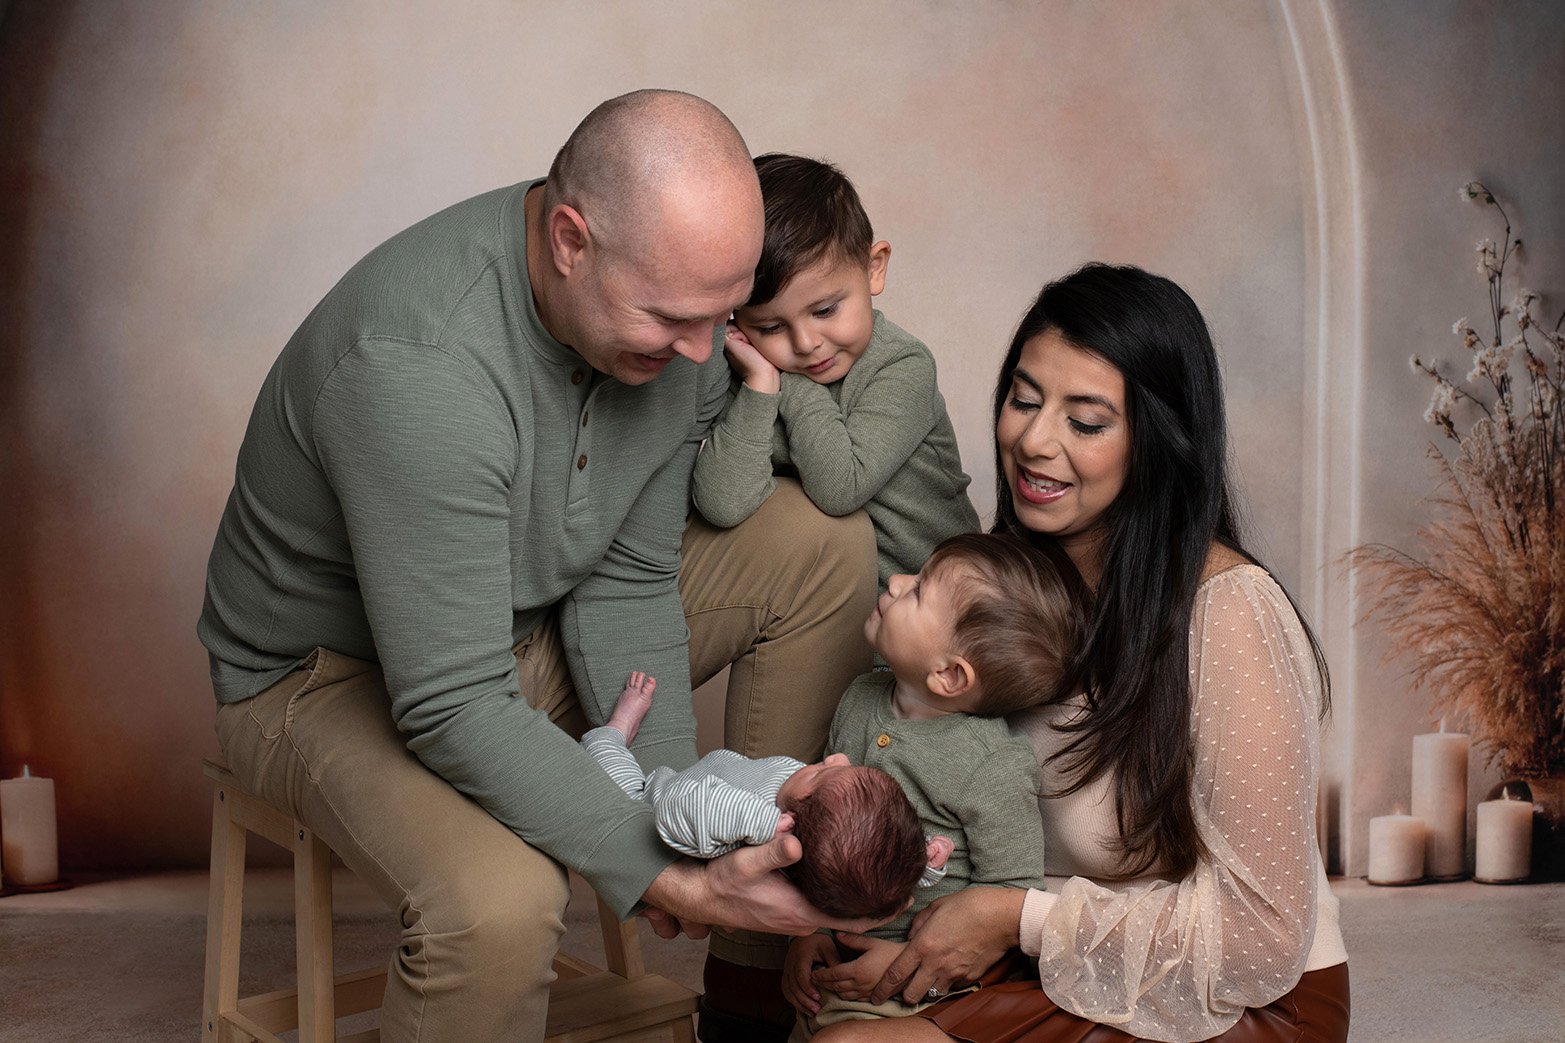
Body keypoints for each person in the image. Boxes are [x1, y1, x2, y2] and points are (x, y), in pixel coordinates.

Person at [197, 90, 882, 1042]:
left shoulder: (676, 318)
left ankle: (750, 976)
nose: (704, 353)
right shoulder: (418, 366)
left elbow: (629, 578)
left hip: (524, 623)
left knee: (818, 543)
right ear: (569, 240)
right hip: (328, 679)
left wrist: (680, 822)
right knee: (503, 907)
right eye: (671, 318)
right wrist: (653, 869)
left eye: (721, 315)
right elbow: (449, 698)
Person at [809, 264, 1350, 1043]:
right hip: (1041, 962)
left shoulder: (1230, 611)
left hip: (1238, 998)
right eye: (1024, 399)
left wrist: (1014, 918)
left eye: (1086, 422)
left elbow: (1259, 936)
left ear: (1156, 441)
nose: (1034, 440)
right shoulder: (1001, 588)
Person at [784, 532, 1092, 1040]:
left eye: (919, 590)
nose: (896, 581)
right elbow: (820, 829)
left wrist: (906, 963)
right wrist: (808, 930)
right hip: (828, 974)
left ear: (949, 675)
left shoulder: (991, 764)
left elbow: (1010, 890)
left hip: (918, 994)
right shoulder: (860, 699)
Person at [691, 153, 979, 591]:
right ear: (734, 319)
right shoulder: (755, 377)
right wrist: (760, 389)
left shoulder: (902, 365)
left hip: (943, 607)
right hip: (829, 605)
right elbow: (721, 504)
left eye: (825, 310)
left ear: (873, 268)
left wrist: (788, 384)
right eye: (771, 327)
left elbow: (841, 487)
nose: (806, 343)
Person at [583, 670, 946, 919]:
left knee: (601, 760)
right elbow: (877, 864)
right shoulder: (813, 813)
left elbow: (674, 809)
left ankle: (616, 730)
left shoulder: (754, 825)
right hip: (695, 775)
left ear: (789, 822)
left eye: (822, 772)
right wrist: (920, 862)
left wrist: (760, 821)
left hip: (647, 810)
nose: (837, 758)